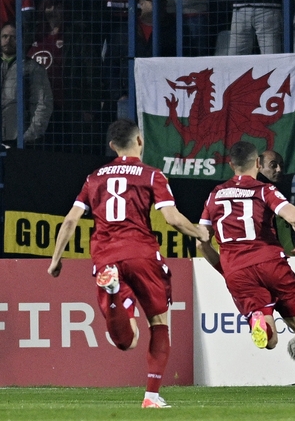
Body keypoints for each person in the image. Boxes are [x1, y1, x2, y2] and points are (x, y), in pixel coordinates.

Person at [46, 119, 209, 408]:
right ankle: (151, 396)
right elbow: (172, 219)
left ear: (112, 146)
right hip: (142, 254)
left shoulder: (93, 178)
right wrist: (200, 232)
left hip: (106, 257)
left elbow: (71, 219)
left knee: (126, 340)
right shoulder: (151, 175)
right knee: (159, 324)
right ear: (141, 141)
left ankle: (112, 295)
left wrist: (56, 260)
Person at [196, 141, 295, 404]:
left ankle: (257, 319)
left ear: (231, 165)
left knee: (271, 341)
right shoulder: (264, 190)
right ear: (256, 164)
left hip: (236, 269)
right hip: (269, 262)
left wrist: (225, 269)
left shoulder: (214, 195)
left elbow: (201, 242)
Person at [0, 23, 54, 148]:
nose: (8, 40)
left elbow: (44, 103)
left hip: (18, 141)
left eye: (13, 37)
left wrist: (29, 136)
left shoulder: (32, 68)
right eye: (5, 36)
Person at [258, 149, 295, 254]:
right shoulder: (256, 192)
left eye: (281, 165)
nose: (279, 169)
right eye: (273, 165)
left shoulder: (279, 189)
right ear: (259, 166)